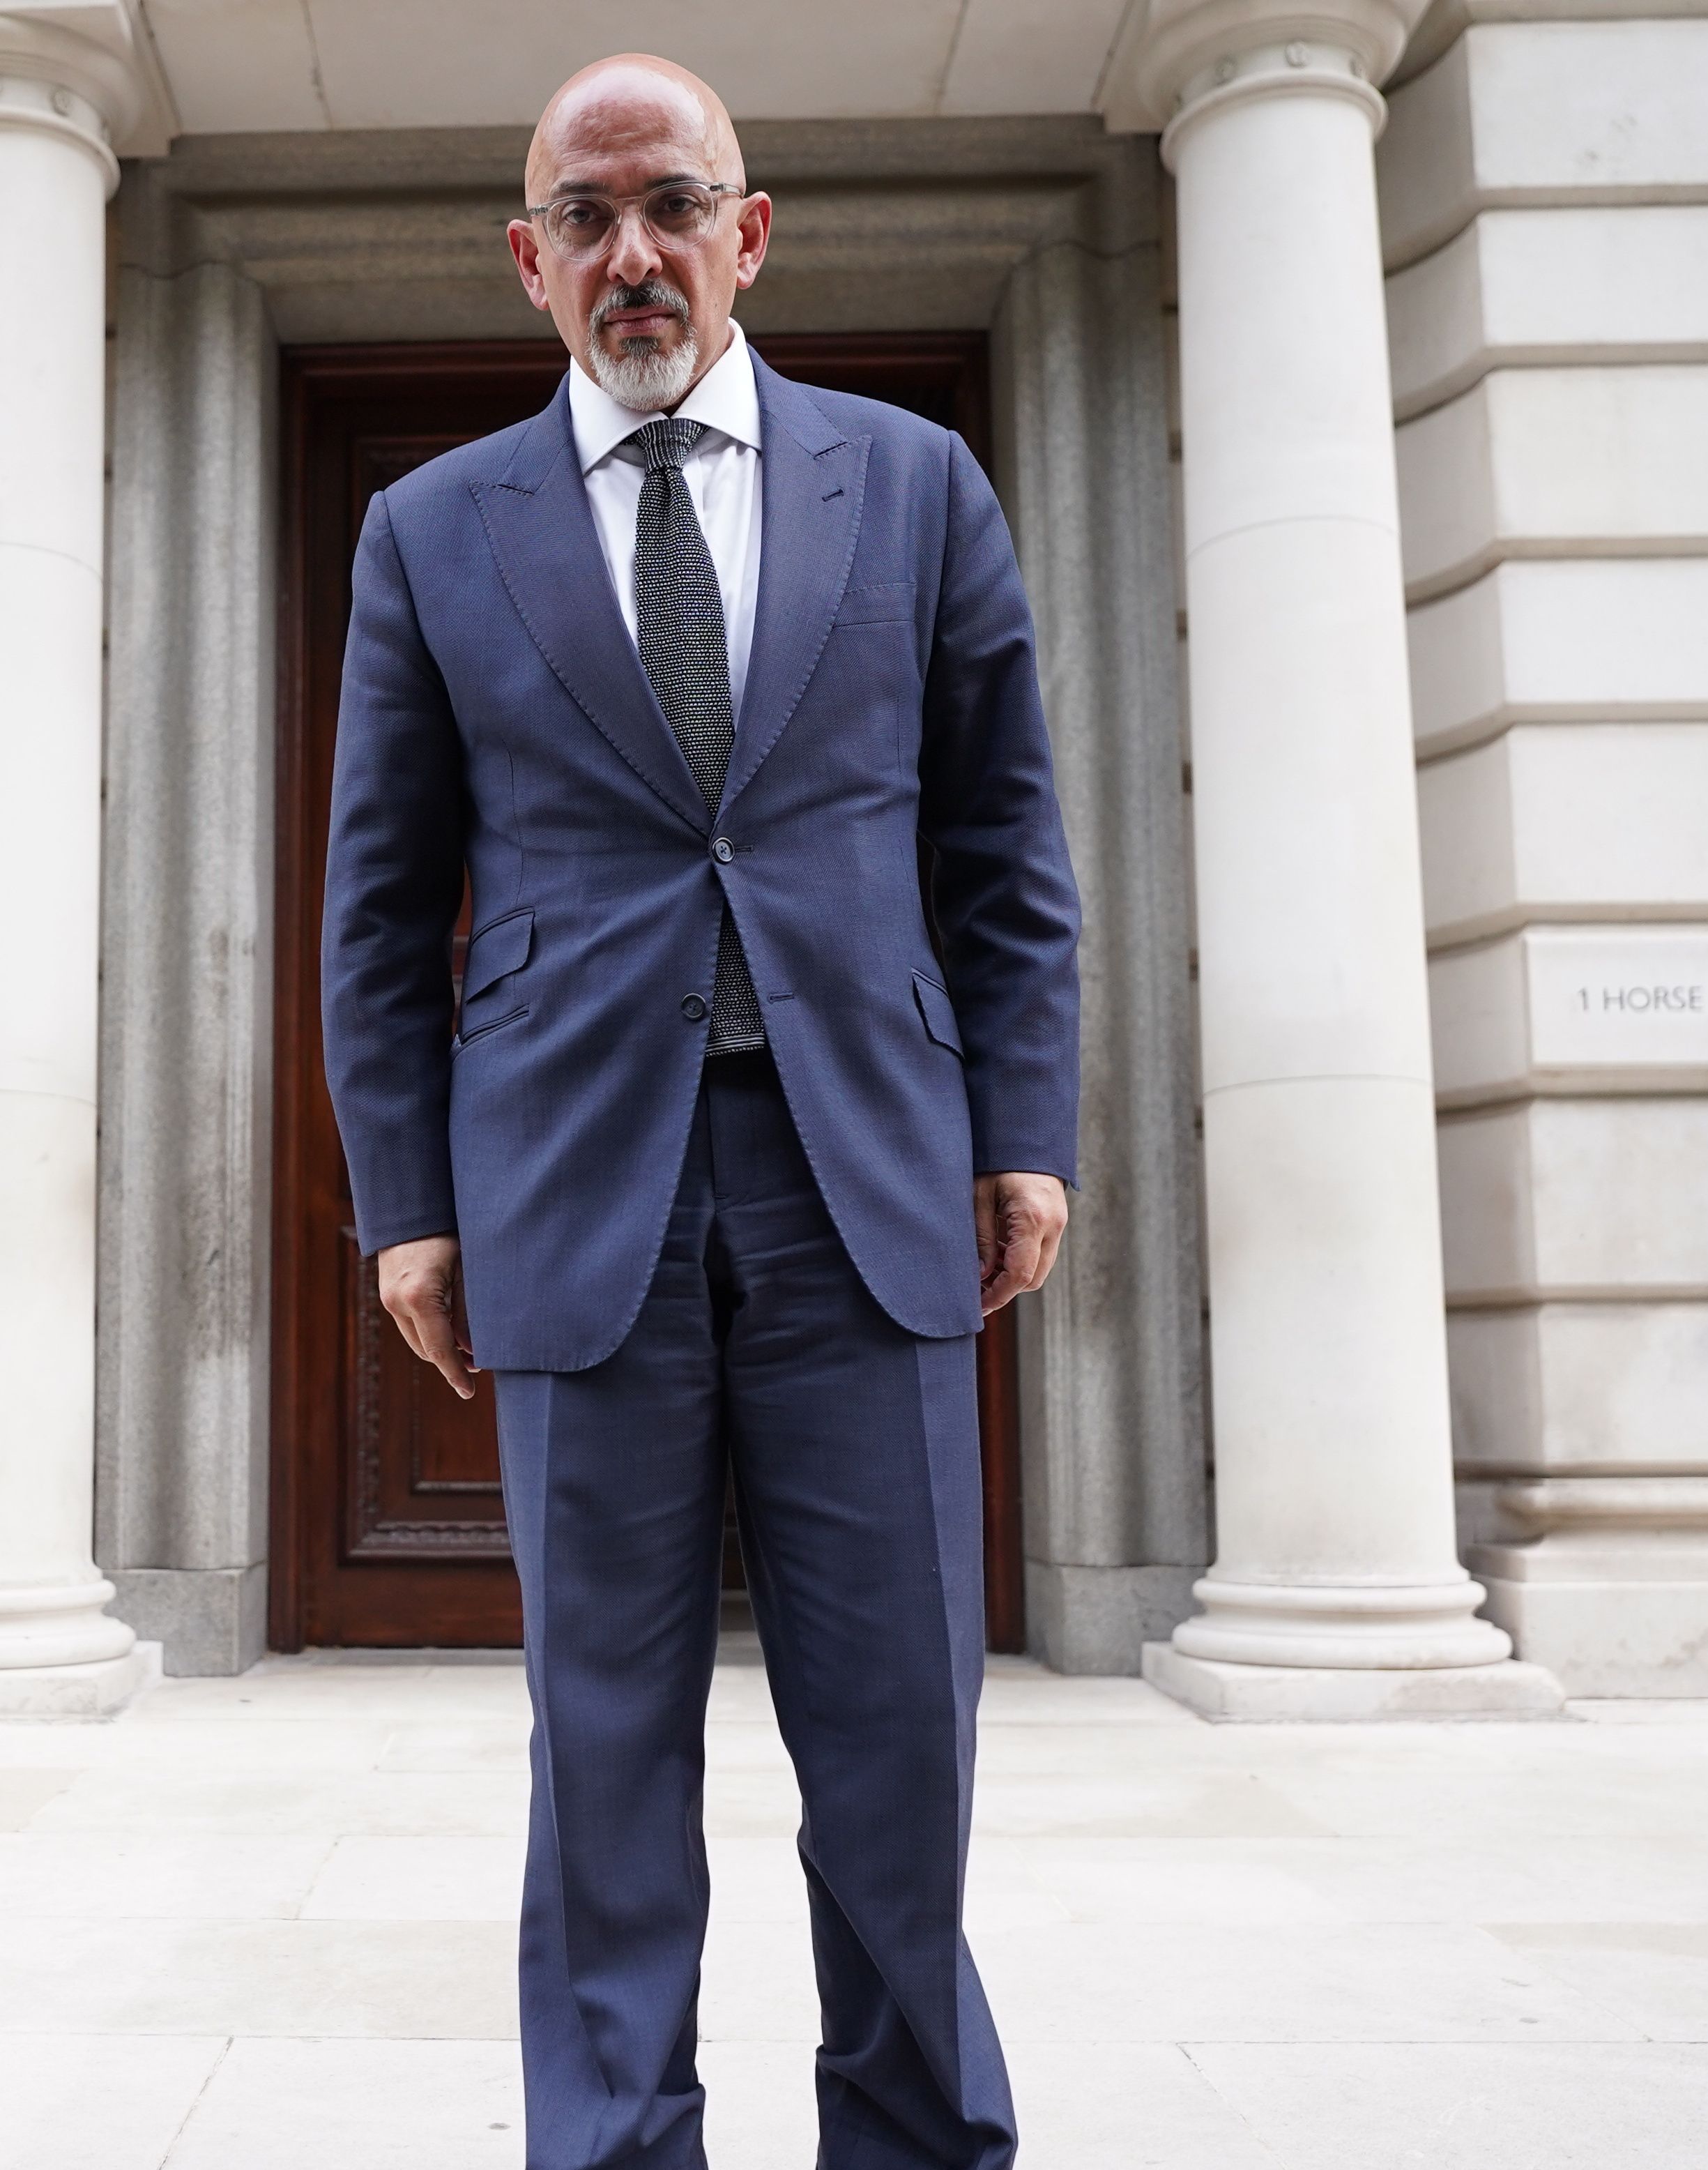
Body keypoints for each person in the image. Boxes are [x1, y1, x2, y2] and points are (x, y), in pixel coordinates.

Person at [320, 52, 1080, 2170]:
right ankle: (614, 2147)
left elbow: (1006, 844)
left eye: (674, 205)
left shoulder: (914, 483)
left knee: (902, 1742)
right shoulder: (427, 529)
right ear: (530, 261)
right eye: (588, 215)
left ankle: (922, 2143)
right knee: (610, 1755)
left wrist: (1026, 1122)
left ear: (749, 233)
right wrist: (406, 1203)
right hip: (581, 1205)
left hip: (867, 1185)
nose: (633, 251)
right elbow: (378, 909)